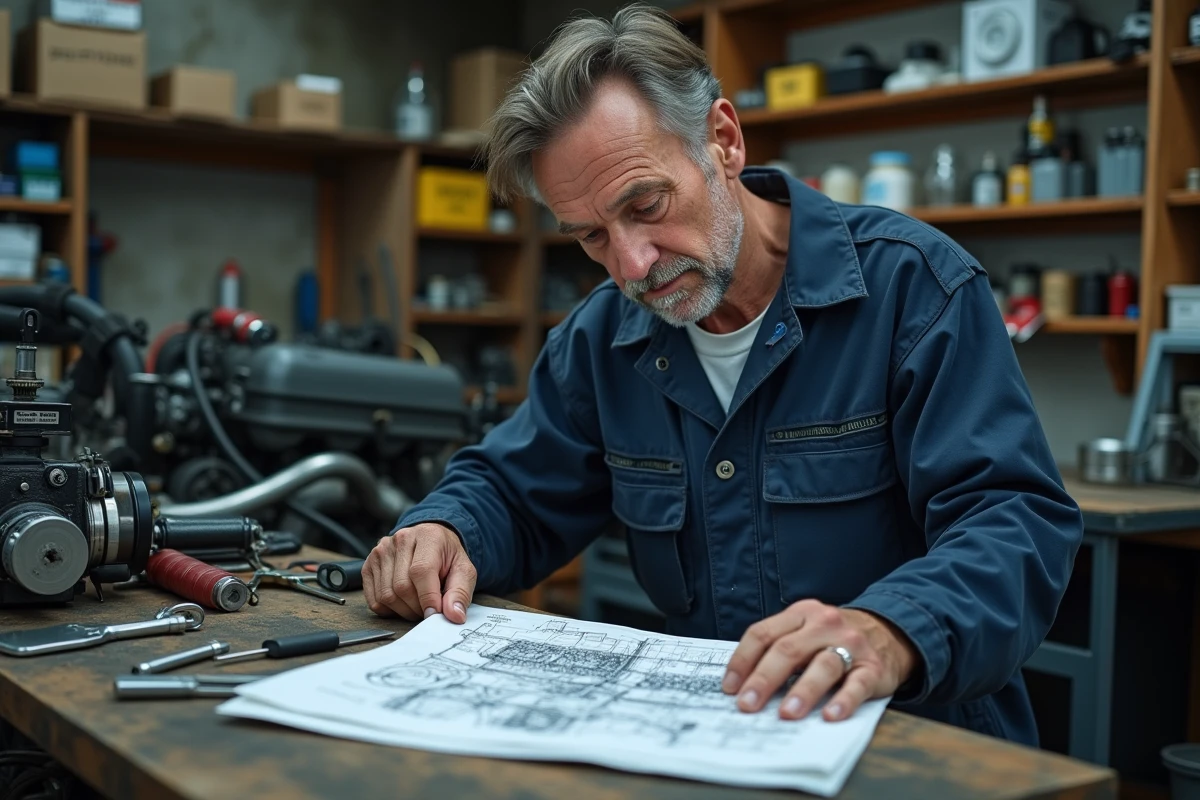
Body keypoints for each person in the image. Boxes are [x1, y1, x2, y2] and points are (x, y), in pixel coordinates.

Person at [363, 4, 1083, 746]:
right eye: (592, 237)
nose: (632, 264)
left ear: (724, 141)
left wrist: (893, 628)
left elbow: (1013, 523)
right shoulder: (603, 336)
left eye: (645, 205)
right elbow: (514, 491)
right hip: (717, 739)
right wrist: (445, 528)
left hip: (918, 740)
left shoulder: (915, 292)